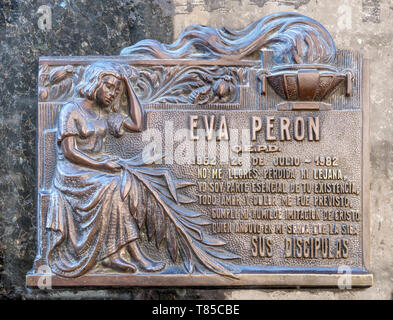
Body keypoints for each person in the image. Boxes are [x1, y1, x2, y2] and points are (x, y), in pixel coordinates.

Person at [46, 61, 165, 277]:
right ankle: (133, 254)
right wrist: (101, 165)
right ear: (95, 82)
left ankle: (115, 254)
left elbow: (138, 124)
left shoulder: (105, 115)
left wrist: (127, 84)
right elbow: (70, 152)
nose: (113, 94)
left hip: (95, 171)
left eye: (117, 91)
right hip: (71, 172)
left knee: (123, 182)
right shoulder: (70, 110)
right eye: (109, 87)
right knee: (113, 185)